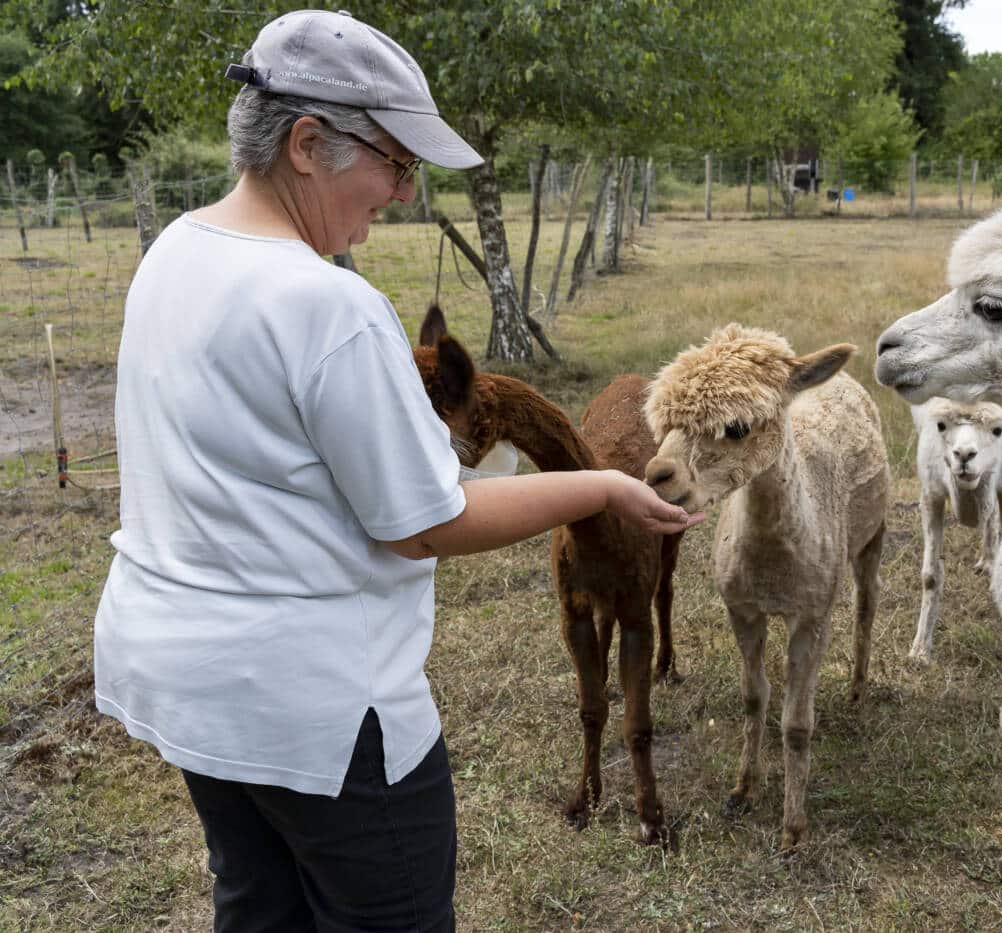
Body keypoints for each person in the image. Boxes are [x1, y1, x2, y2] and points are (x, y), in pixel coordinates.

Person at [92, 10, 702, 932]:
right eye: (397, 163)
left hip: (187, 685)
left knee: (258, 905)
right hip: (318, 717)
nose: (405, 194)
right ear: (307, 143)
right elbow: (424, 520)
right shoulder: (327, 303)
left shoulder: (173, 253)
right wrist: (603, 487)